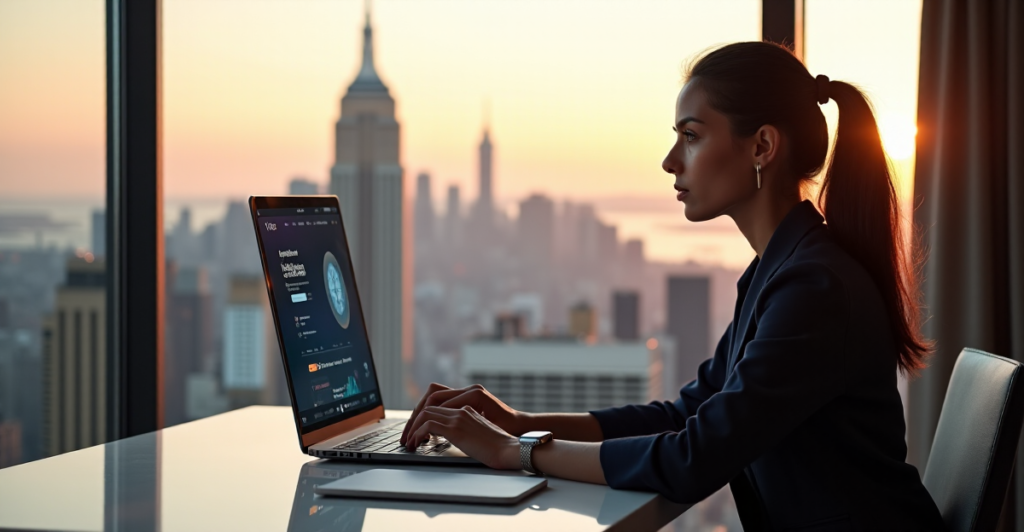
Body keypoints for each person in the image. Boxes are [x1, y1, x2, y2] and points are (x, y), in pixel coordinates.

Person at [400, 42, 946, 531]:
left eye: (691, 136)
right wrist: (519, 422)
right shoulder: (780, 271)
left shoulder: (813, 287)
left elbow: (693, 458)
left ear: (762, 146)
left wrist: (516, 451)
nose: (669, 161)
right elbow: (687, 415)